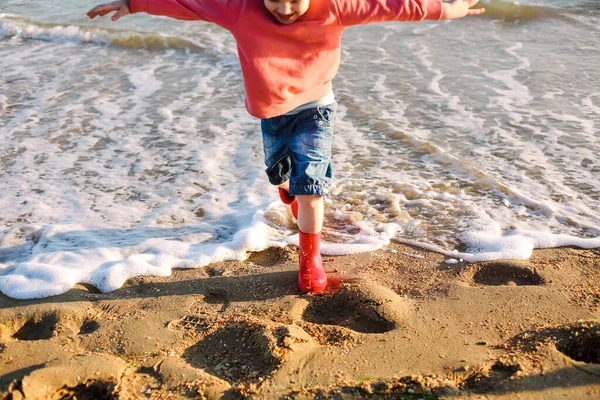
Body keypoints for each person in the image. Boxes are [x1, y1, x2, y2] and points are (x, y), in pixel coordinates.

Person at [87, 0, 485, 293]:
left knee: (310, 188)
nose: (285, 8)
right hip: (271, 114)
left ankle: (310, 260)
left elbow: (396, 7)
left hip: (316, 110)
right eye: (275, 0)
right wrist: (134, 3)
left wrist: (448, 11)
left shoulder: (336, 8)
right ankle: (292, 197)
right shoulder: (240, 9)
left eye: (295, 0)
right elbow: (188, 4)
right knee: (282, 179)